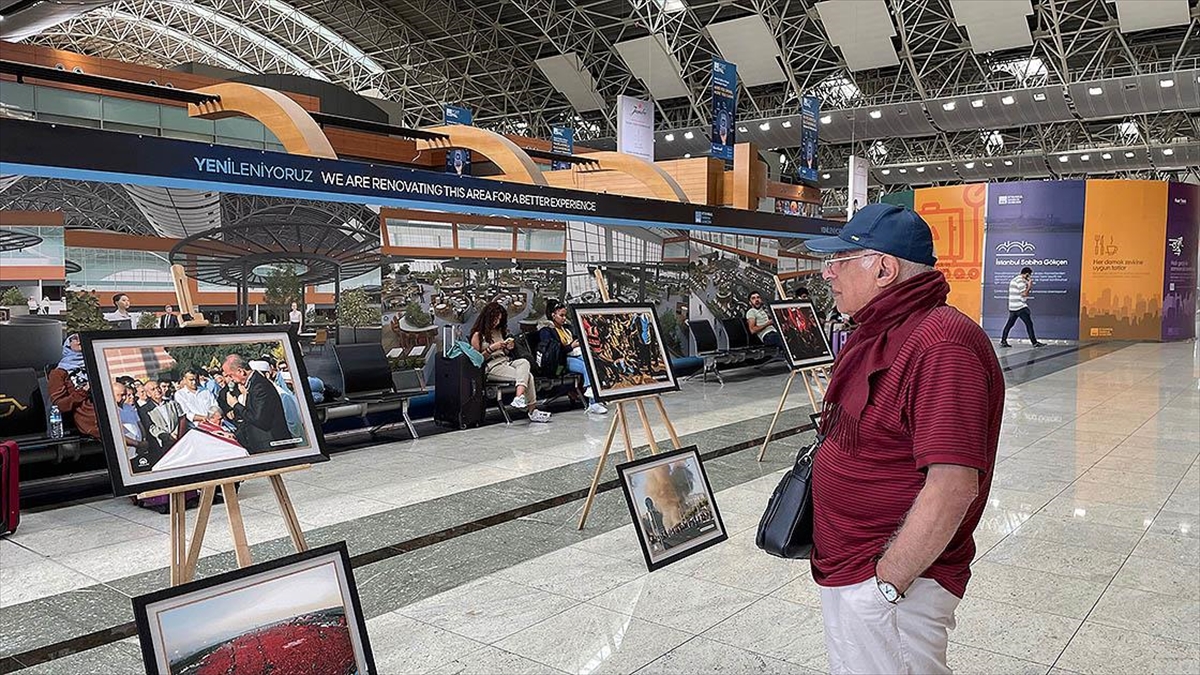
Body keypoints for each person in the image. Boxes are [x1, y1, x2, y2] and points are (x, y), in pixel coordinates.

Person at [801, 203, 1004, 675]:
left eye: (839, 260)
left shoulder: (942, 344)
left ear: (884, 269)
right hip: (852, 564)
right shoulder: (881, 332)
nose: (827, 273)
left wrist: (887, 584)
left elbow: (953, 486)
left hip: (896, 581)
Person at [470, 301, 550, 423]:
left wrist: (508, 348)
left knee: (524, 362)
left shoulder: (499, 331)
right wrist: (491, 349)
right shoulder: (478, 335)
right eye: (495, 319)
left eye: (499, 319)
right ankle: (531, 409)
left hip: (506, 361)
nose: (497, 322)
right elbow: (476, 360)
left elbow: (504, 353)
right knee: (528, 376)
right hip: (492, 366)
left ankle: (519, 397)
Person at [537, 299, 607, 415]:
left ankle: (593, 395)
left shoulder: (566, 329)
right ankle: (592, 398)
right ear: (553, 315)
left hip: (572, 356)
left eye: (565, 315)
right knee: (587, 365)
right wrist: (571, 346)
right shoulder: (546, 331)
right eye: (561, 315)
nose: (564, 318)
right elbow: (552, 352)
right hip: (559, 363)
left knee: (591, 361)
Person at [222, 353, 292, 452]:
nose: (231, 380)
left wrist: (235, 404)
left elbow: (258, 420)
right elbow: (249, 419)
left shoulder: (259, 386)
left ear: (240, 371)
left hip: (272, 446)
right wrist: (234, 435)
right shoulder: (253, 384)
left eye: (230, 375)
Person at [47, 334, 100, 439]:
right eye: (74, 338)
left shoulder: (96, 365)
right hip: (89, 417)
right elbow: (60, 405)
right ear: (67, 345)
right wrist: (83, 391)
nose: (79, 341)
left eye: (81, 338)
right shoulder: (58, 373)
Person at [1001, 267, 1044, 348]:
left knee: (1009, 325)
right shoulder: (1020, 281)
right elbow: (1024, 294)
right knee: (1029, 324)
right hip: (1020, 307)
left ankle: (1003, 341)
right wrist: (1029, 285)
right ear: (1027, 274)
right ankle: (1034, 343)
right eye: (1029, 275)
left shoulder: (1014, 279)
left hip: (1012, 307)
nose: (1030, 277)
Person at [143, 380, 184, 452]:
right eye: (153, 389)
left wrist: (177, 433)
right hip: (161, 444)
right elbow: (150, 426)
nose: (157, 390)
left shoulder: (172, 403)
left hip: (178, 439)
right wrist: (166, 437)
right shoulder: (145, 409)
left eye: (158, 387)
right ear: (148, 394)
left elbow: (181, 418)